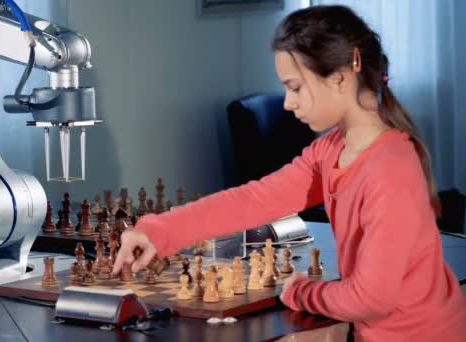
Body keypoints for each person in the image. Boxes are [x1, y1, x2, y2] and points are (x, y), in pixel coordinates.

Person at [112, 5, 466, 341]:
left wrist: (302, 291)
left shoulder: (390, 170)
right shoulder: (330, 150)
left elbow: (371, 299)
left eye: (295, 86)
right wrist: (158, 230)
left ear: (340, 79)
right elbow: (253, 199)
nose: (287, 102)